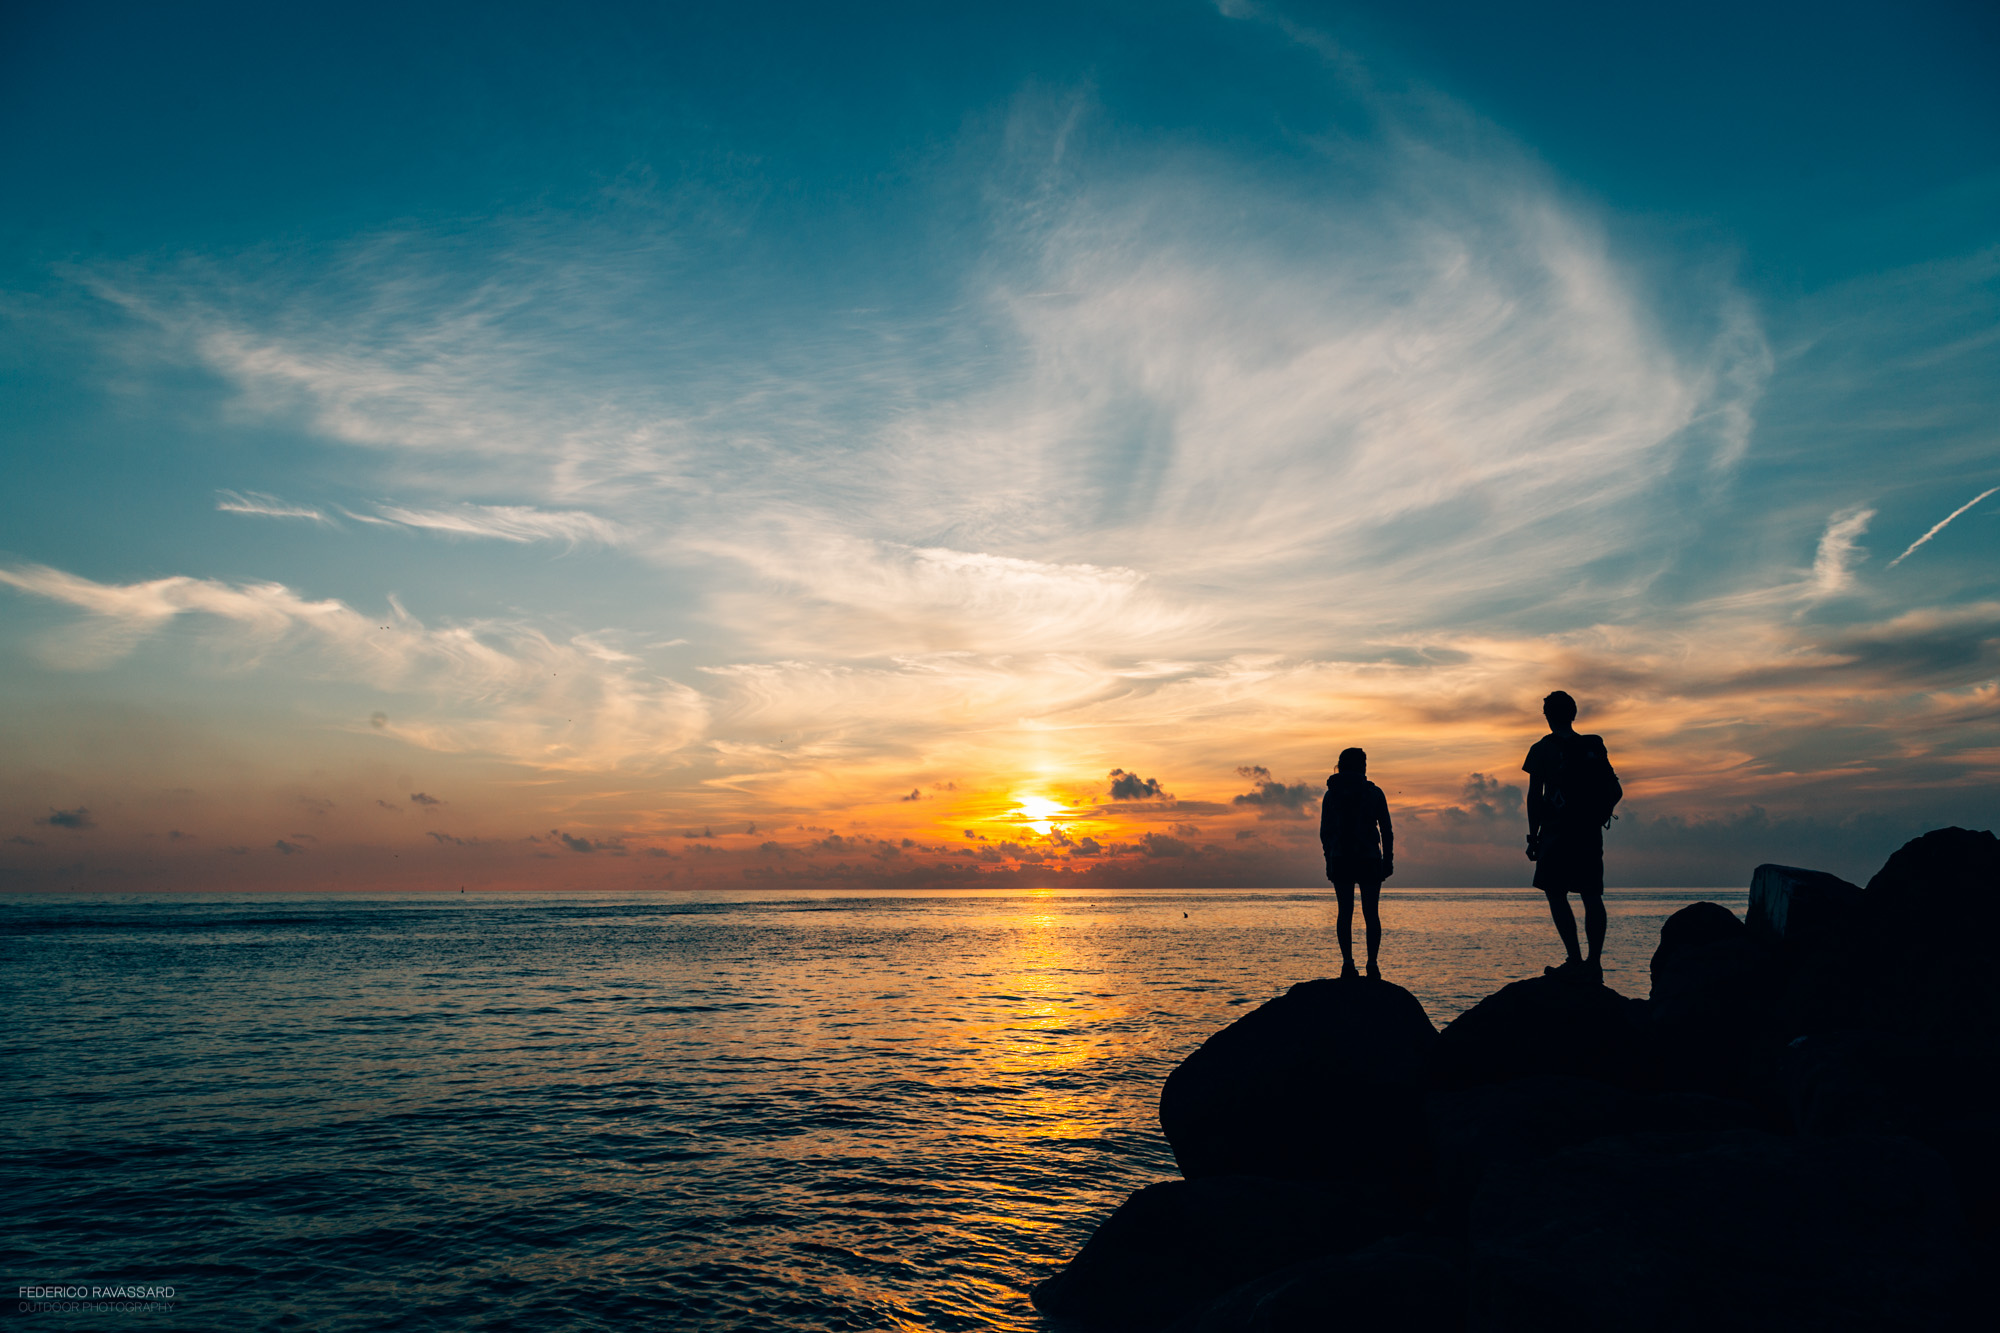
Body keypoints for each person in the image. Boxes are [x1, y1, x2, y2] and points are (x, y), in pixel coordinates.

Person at [1523, 690, 1622, 981]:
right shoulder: (1592, 746)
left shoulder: (1541, 749)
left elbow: (1534, 796)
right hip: (1589, 833)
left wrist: (1533, 837)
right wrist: (1597, 817)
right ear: (1574, 713)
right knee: (1592, 895)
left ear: (1548, 717)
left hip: (1556, 833)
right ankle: (1594, 963)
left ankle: (1575, 960)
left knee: (1556, 893)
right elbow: (1616, 791)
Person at [1320, 747, 1393, 979]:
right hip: (1369, 858)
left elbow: (1325, 832)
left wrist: (1328, 858)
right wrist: (1387, 860)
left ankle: (1347, 964)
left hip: (1340, 858)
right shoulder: (1374, 793)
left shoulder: (1331, 794)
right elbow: (1387, 830)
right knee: (1371, 913)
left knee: (1345, 912)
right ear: (1362, 766)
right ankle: (1372, 965)